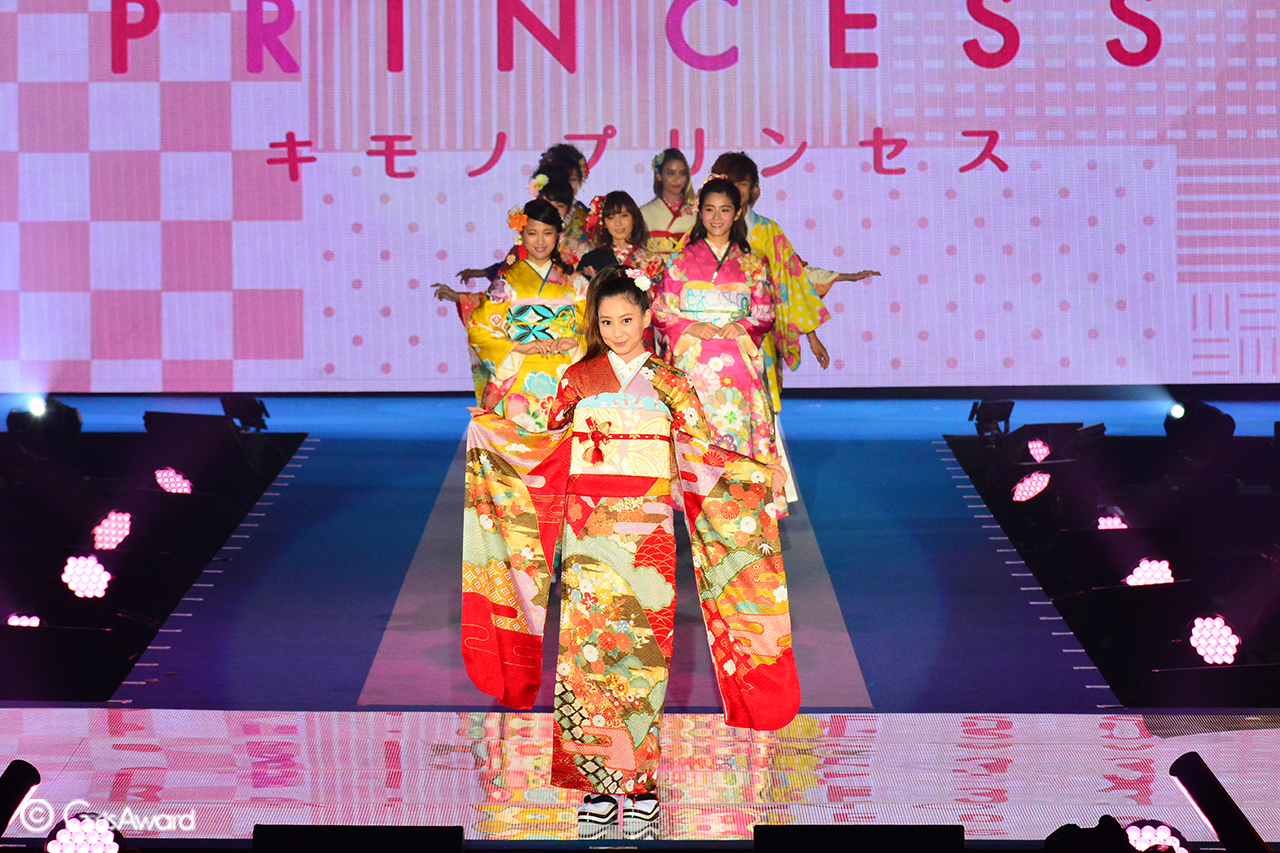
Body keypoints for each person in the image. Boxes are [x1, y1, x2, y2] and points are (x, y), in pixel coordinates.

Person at [461, 265, 800, 838]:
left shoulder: (671, 382)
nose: (616, 331)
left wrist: (751, 474)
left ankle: (640, 786)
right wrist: (496, 439)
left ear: (646, 318)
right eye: (606, 322)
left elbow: (701, 454)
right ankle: (596, 787)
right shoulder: (577, 379)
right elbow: (549, 448)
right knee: (587, 659)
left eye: (626, 319)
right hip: (587, 532)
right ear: (595, 324)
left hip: (647, 535)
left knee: (643, 659)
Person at [709, 152, 879, 381]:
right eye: (729, 181)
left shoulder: (769, 231)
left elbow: (791, 280)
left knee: (761, 394)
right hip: (711, 329)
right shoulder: (701, 231)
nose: (735, 189)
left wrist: (812, 337)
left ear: (754, 189)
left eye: (743, 183)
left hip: (759, 329)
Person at [651, 176, 778, 470]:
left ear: (737, 213)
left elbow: (766, 312)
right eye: (709, 209)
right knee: (695, 437)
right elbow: (660, 309)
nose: (716, 217)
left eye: (725, 210)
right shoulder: (679, 260)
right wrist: (690, 326)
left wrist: (743, 325)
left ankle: (739, 489)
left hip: (736, 361)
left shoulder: (752, 264)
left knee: (737, 431)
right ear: (699, 211)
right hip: (694, 361)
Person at [467, 199, 586, 431]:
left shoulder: (577, 283)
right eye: (532, 233)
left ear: (558, 236)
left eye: (547, 233)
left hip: (566, 372)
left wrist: (575, 341)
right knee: (520, 443)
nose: (540, 241)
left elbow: (594, 327)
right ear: (521, 235)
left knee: (565, 442)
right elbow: (479, 329)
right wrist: (518, 346)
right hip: (519, 373)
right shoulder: (506, 283)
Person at [640, 149, 697, 259]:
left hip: (687, 268)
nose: (677, 179)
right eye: (671, 173)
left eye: (682, 173)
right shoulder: (644, 212)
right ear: (659, 176)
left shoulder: (696, 213)